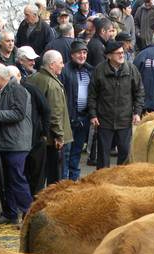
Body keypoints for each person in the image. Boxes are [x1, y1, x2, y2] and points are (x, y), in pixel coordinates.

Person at [0, 64, 33, 225]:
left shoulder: (17, 90)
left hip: (16, 144)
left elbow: (18, 114)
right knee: (8, 180)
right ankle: (10, 213)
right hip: (7, 143)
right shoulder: (3, 91)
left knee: (17, 179)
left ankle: (29, 216)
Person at [88, 40, 144, 168]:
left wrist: (137, 112)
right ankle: (102, 183)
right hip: (104, 121)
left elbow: (139, 92)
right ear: (109, 56)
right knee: (103, 155)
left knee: (124, 153)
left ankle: (120, 184)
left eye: (122, 53)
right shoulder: (99, 71)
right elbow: (92, 95)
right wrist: (93, 115)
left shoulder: (131, 69)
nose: (121, 55)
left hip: (124, 120)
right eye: (118, 53)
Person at [26, 50, 73, 185]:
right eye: (60, 63)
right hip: (52, 139)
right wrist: (59, 136)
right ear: (52, 65)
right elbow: (55, 113)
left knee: (37, 175)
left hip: (35, 135)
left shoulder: (31, 78)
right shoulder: (53, 85)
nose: (63, 66)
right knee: (54, 175)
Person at [13, 66, 50, 196]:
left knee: (37, 175)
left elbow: (46, 110)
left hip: (36, 138)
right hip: (20, 141)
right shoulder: (7, 92)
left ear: (18, 76)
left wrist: (45, 133)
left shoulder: (31, 89)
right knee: (26, 173)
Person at [60, 40, 93, 180]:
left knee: (77, 151)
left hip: (83, 117)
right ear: (72, 55)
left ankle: (74, 180)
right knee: (66, 153)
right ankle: (64, 181)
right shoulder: (64, 71)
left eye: (84, 52)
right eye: (79, 52)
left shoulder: (89, 70)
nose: (82, 55)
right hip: (69, 118)